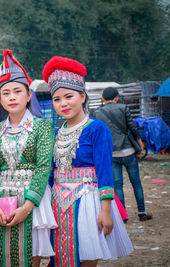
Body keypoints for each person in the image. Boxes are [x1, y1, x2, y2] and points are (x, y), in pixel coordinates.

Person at [43, 56, 133, 267]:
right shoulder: (54, 133)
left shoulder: (97, 129)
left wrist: (105, 210)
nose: (63, 103)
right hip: (57, 202)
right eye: (56, 99)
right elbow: (49, 172)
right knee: (55, 257)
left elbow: (104, 171)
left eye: (68, 96)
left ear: (82, 96)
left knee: (86, 257)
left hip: (86, 201)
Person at [0, 49, 57, 267]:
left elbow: (44, 168)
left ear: (28, 95)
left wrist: (27, 207)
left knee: (32, 255)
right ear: (0, 99)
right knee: (0, 256)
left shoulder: (42, 127)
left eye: (17, 91)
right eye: (6, 93)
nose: (12, 97)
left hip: (32, 199)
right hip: (1, 200)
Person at [94, 87, 152, 222]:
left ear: (102, 99)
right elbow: (132, 127)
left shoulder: (97, 113)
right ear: (116, 98)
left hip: (112, 154)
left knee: (118, 185)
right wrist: (139, 142)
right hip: (129, 151)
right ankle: (142, 212)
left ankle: (122, 216)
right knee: (136, 182)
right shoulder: (123, 108)